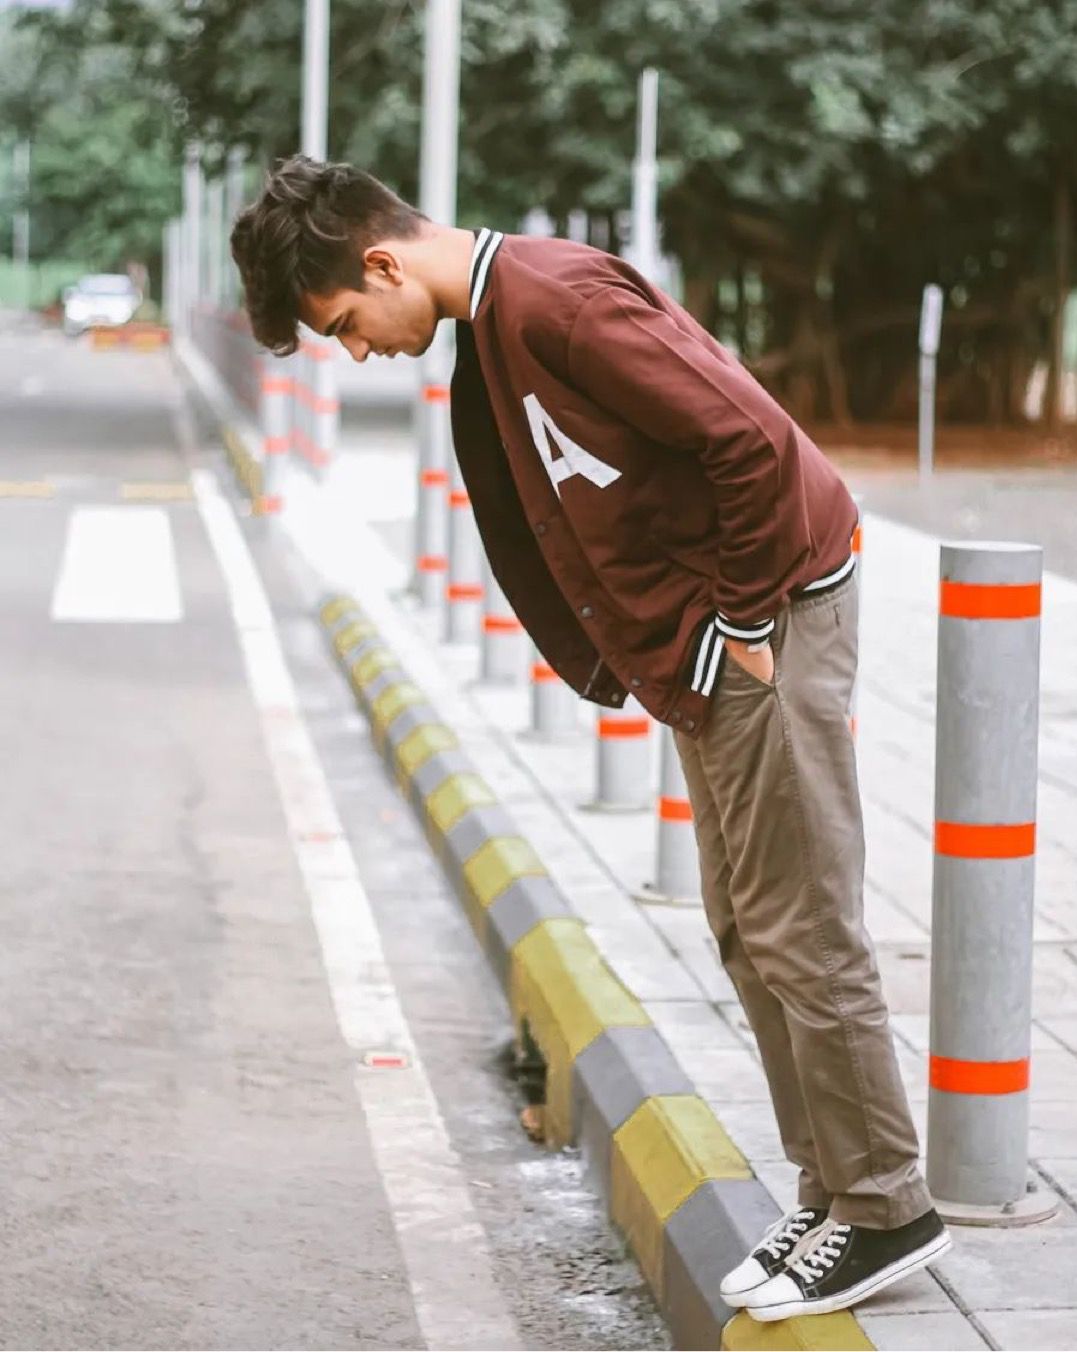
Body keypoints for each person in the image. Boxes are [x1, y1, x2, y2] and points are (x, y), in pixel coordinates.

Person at [230, 154, 951, 1322]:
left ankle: (884, 1205)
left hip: (766, 617)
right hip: (708, 645)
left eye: (348, 324)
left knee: (799, 922)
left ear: (380, 261)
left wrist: (747, 621)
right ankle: (832, 1194)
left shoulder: (554, 300)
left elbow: (748, 440)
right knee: (742, 925)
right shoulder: (500, 322)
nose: (357, 348)